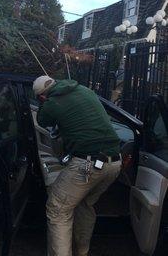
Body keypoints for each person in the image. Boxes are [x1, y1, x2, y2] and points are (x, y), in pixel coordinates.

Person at [33, 75, 122, 256]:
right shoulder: (84, 90)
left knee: (57, 209)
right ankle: (82, 251)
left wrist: (44, 101)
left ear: (42, 96)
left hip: (87, 165)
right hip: (114, 163)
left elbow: (42, 121)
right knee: (84, 204)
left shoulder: (52, 103)